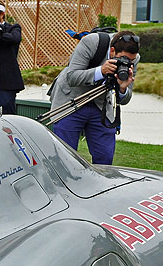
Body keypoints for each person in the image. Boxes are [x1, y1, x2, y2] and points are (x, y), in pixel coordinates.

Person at [48, 30, 138, 165]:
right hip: (70, 99)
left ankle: (102, 184)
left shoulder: (134, 58)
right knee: (65, 156)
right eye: (123, 58)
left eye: (131, 60)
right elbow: (72, 77)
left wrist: (123, 88)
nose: (128, 62)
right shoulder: (92, 42)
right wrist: (101, 71)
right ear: (112, 51)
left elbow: (125, 99)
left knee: (105, 157)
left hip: (100, 104)